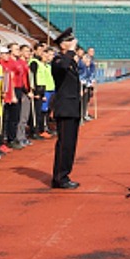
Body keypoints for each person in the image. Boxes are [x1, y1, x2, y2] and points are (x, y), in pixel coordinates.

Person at [51, 28, 81, 189]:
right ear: (63, 45)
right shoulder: (57, 60)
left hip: (73, 107)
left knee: (71, 145)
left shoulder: (70, 61)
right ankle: (59, 178)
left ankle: (65, 174)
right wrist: (70, 51)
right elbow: (62, 67)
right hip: (65, 108)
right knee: (64, 145)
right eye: (69, 42)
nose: (73, 45)